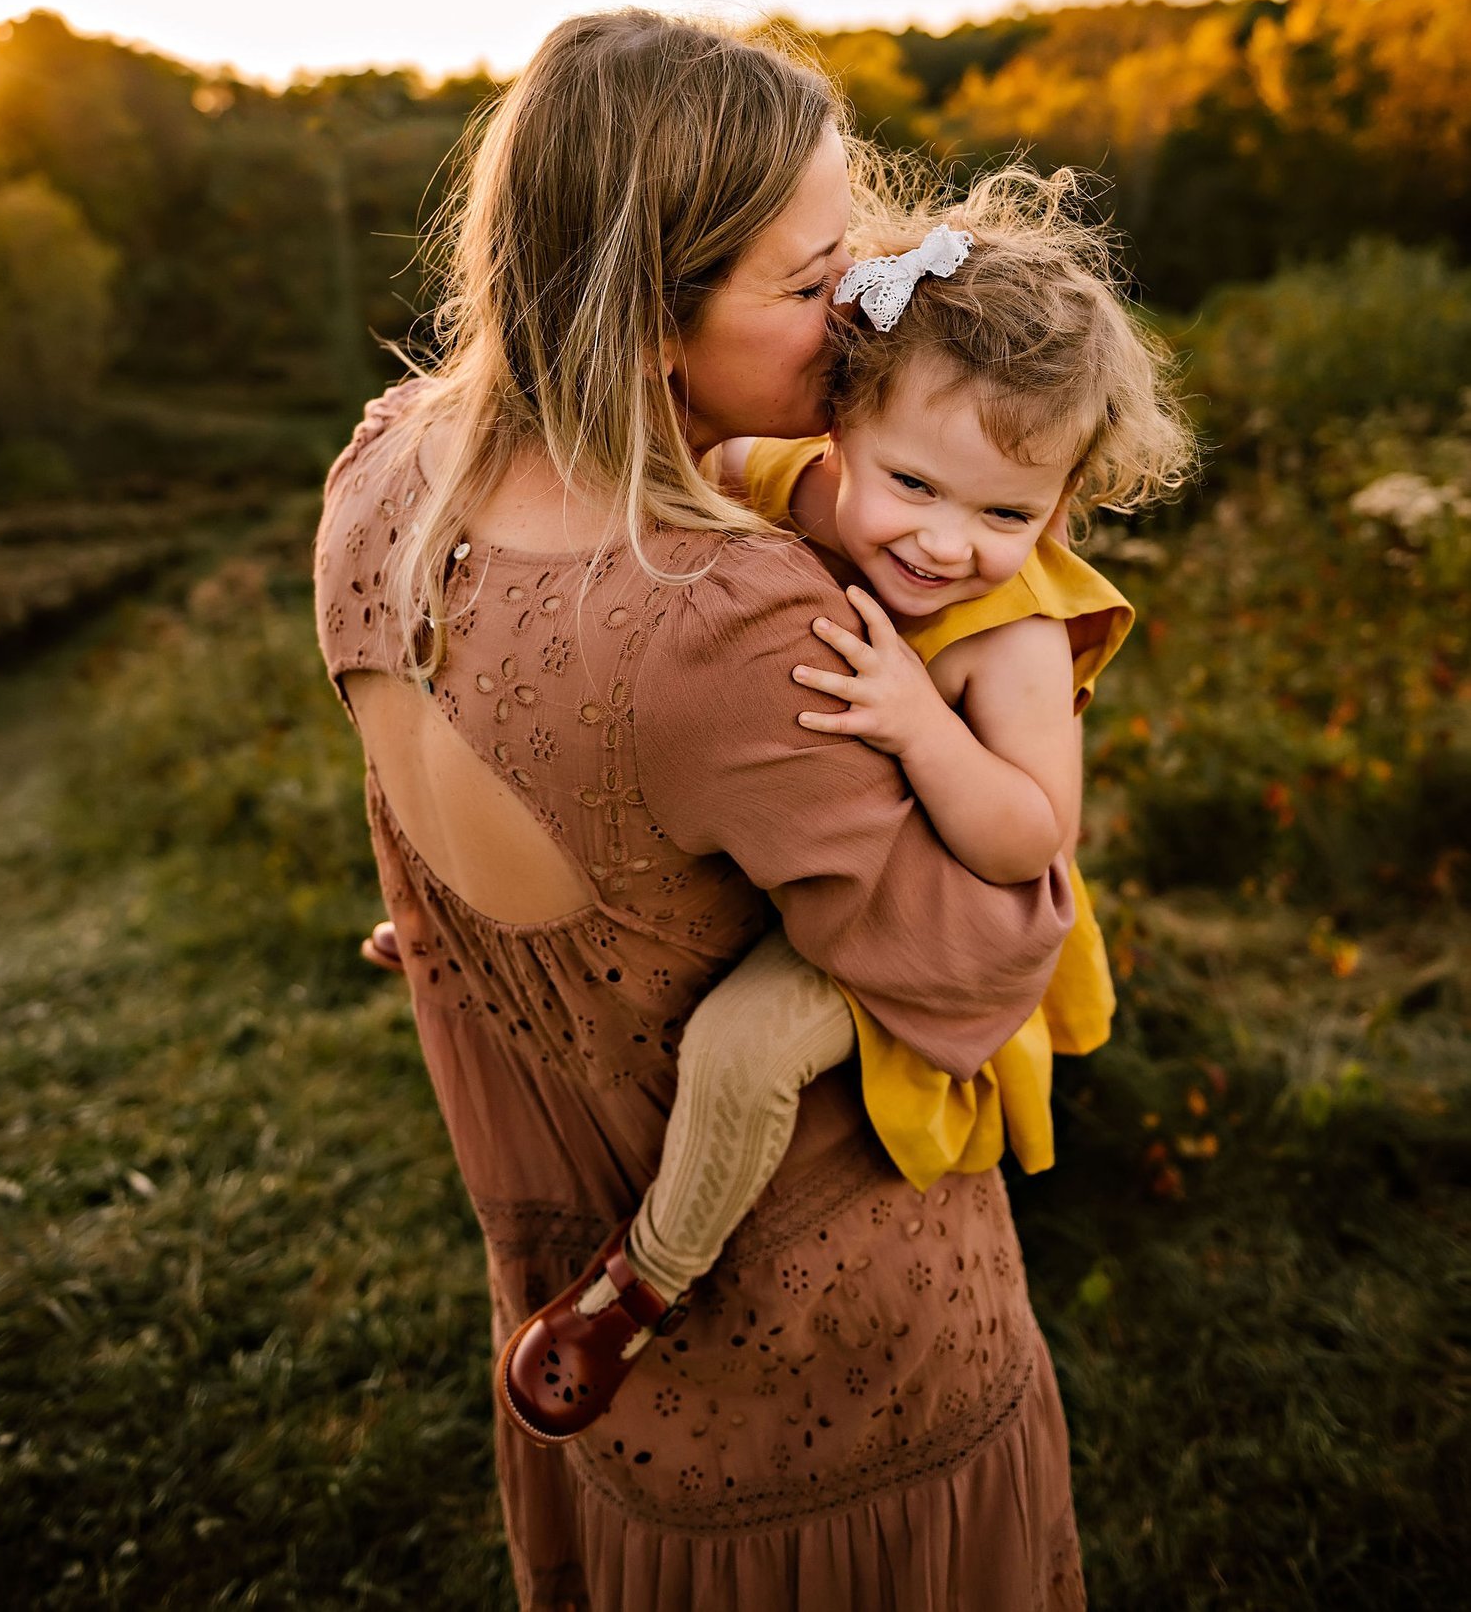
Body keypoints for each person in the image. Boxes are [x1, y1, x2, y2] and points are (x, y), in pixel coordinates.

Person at [314, 10, 1087, 1610]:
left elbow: (444, 843)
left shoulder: (384, 470)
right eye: (812, 288)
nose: (863, 318)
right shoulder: (724, 615)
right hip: (833, 1360)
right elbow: (983, 957)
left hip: (555, 1279)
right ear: (650, 313)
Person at [496, 170, 1193, 1439]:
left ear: (1061, 506)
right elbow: (674, 479)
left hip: (927, 901)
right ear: (843, 427)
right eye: (914, 487)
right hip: (793, 842)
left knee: (745, 1050)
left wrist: (926, 725)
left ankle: (641, 1283)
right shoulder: (781, 480)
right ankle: (475, 906)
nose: (947, 544)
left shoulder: (1011, 638)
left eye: (1007, 513)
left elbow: (1032, 838)